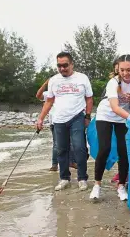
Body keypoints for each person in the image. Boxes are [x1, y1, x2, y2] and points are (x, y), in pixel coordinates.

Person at [89, 54, 130, 201]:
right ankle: (97, 185)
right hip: (106, 115)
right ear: (117, 69)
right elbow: (114, 106)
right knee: (105, 148)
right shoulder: (112, 83)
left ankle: (121, 186)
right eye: (122, 70)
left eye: (129, 70)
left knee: (124, 151)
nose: (125, 73)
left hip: (123, 117)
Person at [36, 51, 93, 191]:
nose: (62, 68)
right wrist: (41, 118)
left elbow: (89, 98)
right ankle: (64, 178)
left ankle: (82, 178)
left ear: (72, 64)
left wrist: (87, 116)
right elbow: (49, 101)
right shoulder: (54, 80)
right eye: (59, 66)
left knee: (79, 147)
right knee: (61, 150)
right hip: (59, 120)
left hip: (77, 117)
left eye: (65, 65)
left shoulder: (82, 78)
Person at [36, 78, 77, 171]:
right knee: (57, 144)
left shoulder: (66, 92)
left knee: (71, 142)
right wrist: (45, 84)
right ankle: (55, 164)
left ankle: (71, 162)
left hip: (68, 119)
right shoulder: (50, 93)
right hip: (55, 121)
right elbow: (38, 95)